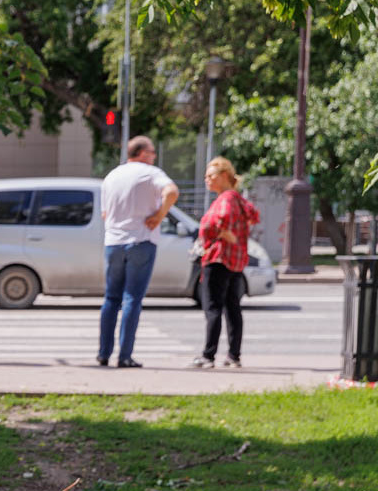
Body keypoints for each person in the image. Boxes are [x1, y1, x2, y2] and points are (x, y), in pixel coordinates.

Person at [97, 136, 179, 368]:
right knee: (132, 298)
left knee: (111, 299)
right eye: (152, 152)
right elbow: (172, 192)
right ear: (142, 153)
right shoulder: (150, 173)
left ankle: (104, 353)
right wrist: (159, 216)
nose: (154, 157)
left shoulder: (112, 176)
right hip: (141, 241)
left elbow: (105, 214)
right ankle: (125, 355)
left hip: (113, 242)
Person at [191, 157, 259, 370]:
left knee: (212, 308)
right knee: (232, 308)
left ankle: (208, 355)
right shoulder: (237, 198)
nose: (207, 180)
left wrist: (216, 231)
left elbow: (216, 221)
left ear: (223, 176)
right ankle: (233, 355)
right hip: (236, 261)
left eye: (210, 176)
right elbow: (253, 215)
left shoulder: (225, 199)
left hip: (218, 259)